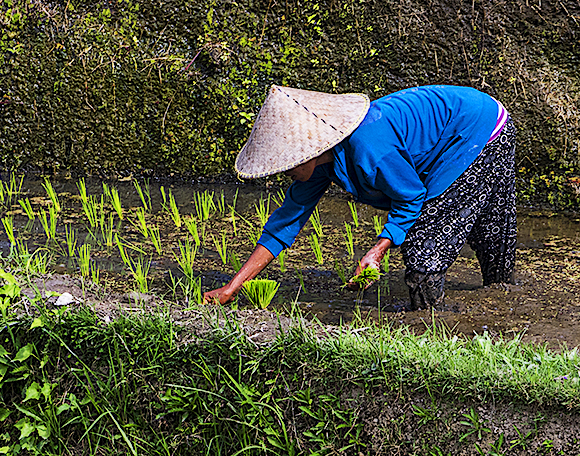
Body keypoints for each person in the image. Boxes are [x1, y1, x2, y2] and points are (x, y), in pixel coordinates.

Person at [202, 84, 516, 309]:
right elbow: (283, 224)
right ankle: (503, 301)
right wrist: (233, 287)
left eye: (287, 166)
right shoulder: (319, 167)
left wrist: (377, 251)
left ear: (309, 151)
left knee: (424, 247)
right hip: (474, 120)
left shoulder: (368, 147)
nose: (286, 174)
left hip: (477, 131)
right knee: (490, 230)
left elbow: (410, 197)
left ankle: (428, 327)